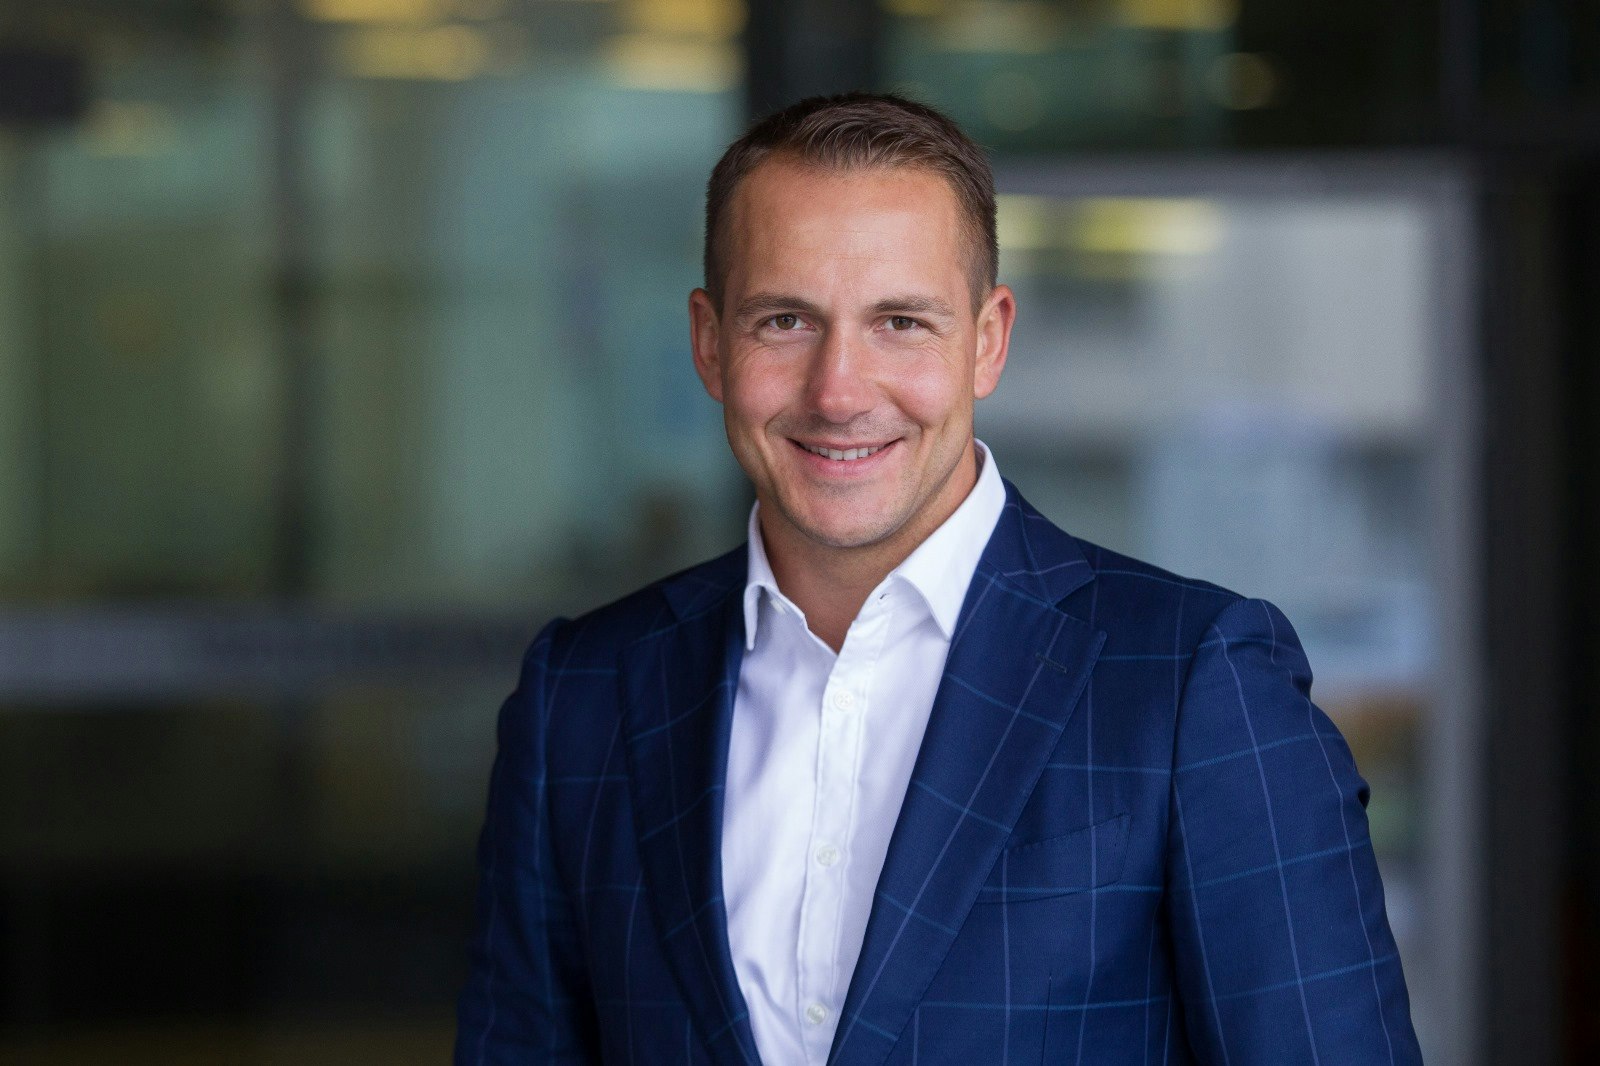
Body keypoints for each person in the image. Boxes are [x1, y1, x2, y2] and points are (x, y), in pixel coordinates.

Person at [455, 93, 1422, 1065]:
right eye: (785, 319)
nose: (838, 390)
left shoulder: (1192, 686)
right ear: (710, 343)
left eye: (901, 322)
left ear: (988, 339)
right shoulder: (581, 697)